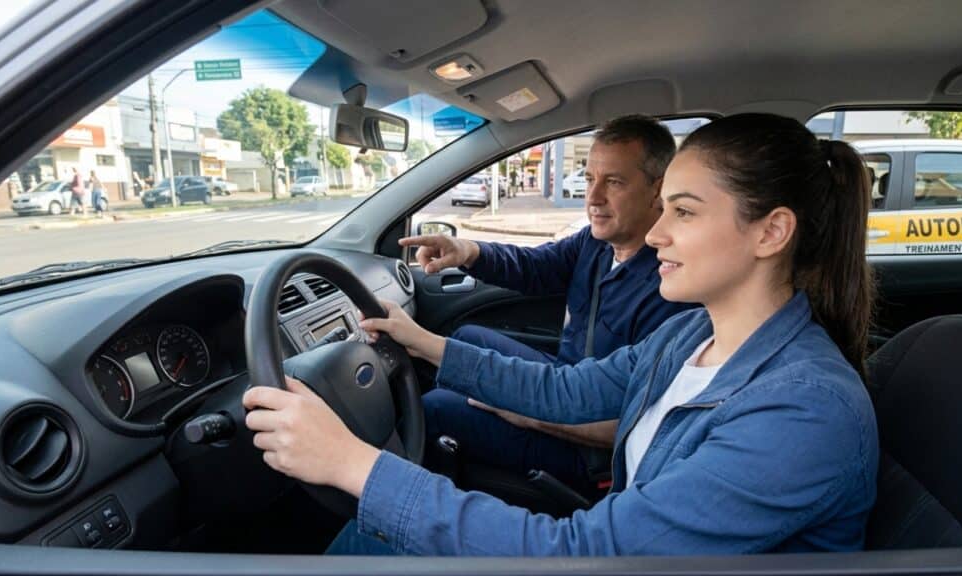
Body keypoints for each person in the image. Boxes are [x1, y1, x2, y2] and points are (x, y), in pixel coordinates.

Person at [243, 113, 879, 556]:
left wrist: (352, 463)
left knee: (381, 531)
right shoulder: (693, 334)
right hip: (621, 543)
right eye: (665, 208)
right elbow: (566, 391)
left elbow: (594, 553)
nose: (658, 233)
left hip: (607, 553)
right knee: (380, 531)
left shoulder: (804, 409)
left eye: (683, 212)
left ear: (771, 232)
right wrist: (420, 344)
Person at [401, 115, 695, 496]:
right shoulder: (596, 243)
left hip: (588, 449)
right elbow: (535, 266)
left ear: (659, 189)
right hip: (565, 381)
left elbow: (633, 426)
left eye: (614, 182)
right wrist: (467, 250)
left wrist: (524, 413)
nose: (593, 198)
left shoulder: (670, 288)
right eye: (589, 179)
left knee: (433, 408)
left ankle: (407, 509)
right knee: (467, 335)